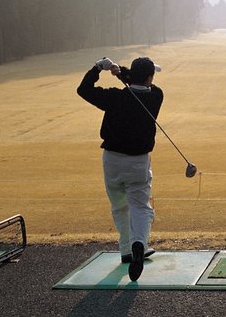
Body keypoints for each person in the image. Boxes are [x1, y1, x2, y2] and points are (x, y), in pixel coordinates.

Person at [77, 56, 163, 281]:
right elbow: (139, 84)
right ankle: (138, 245)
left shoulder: (114, 98)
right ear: (150, 77)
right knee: (140, 207)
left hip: (112, 160)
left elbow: (83, 89)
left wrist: (99, 68)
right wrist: (120, 72)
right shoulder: (156, 96)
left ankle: (126, 250)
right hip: (138, 162)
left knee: (119, 206)